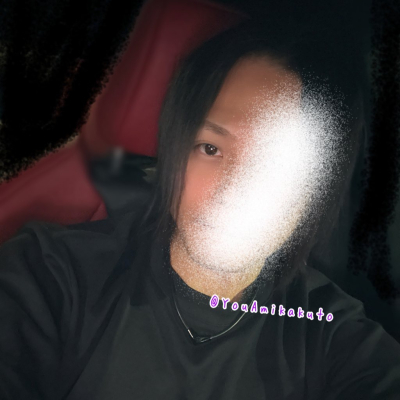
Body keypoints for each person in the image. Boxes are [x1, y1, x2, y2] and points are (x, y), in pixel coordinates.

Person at [0, 21, 399, 400]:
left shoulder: (332, 333)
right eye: (211, 148)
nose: (233, 192)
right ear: (176, 151)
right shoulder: (49, 277)